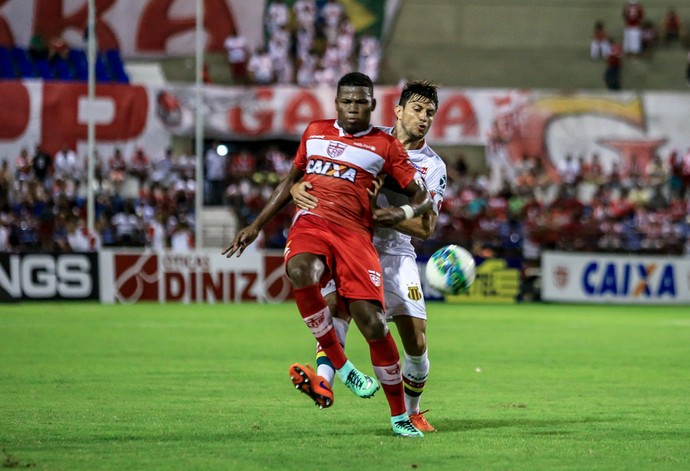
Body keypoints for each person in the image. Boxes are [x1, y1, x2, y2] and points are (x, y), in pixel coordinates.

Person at [223, 72, 433, 438]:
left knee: (376, 325)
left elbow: (423, 203)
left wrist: (395, 215)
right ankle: (335, 369)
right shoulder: (315, 131)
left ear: (372, 105)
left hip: (363, 240)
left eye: (360, 102)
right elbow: (292, 180)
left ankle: (401, 415)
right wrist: (256, 224)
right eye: (346, 101)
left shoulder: (386, 147)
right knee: (302, 271)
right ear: (336, 103)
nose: (353, 108)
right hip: (314, 224)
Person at [290, 80, 446, 433]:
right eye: (418, 110)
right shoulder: (368, 140)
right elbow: (318, 172)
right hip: (347, 239)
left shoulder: (432, 166)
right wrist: (297, 187)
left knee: (416, 339)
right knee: (335, 309)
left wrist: (381, 212)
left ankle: (413, 410)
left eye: (431, 114)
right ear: (399, 110)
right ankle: (324, 382)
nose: (424, 119)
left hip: (395, 251)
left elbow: (426, 228)